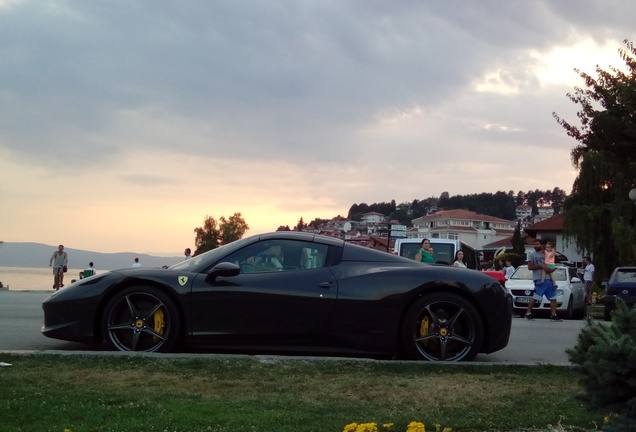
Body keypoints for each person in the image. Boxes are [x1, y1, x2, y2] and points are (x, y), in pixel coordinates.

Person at [525, 240, 562, 322]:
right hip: (539, 279)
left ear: (541, 245)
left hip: (549, 278)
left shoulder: (546, 254)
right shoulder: (532, 255)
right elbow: (530, 267)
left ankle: (553, 315)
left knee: (553, 297)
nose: (536, 245)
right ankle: (528, 313)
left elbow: (552, 262)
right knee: (536, 296)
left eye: (537, 244)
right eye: (534, 244)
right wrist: (540, 266)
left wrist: (551, 269)